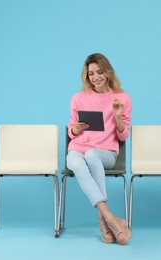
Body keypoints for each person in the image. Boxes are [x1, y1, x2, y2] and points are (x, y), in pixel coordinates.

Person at [66, 53, 132, 245]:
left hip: (106, 153)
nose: (95, 77)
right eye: (91, 74)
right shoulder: (78, 98)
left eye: (99, 72)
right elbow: (72, 131)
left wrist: (118, 116)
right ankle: (109, 219)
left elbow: (123, 136)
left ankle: (105, 220)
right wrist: (76, 128)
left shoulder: (122, 98)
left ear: (108, 72)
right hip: (78, 148)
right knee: (76, 163)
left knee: (92, 153)